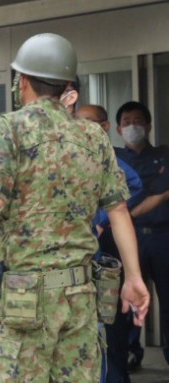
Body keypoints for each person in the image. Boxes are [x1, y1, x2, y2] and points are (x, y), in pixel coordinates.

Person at [0, 33, 150, 382]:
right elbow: (119, 212)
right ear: (66, 85)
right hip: (80, 293)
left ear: (22, 81)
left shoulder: (8, 127)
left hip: (26, 297)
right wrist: (134, 277)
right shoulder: (93, 135)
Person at [76, 104, 144, 383]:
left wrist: (103, 218)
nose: (82, 128)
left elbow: (133, 185)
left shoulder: (104, 155)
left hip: (102, 254)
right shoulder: (70, 153)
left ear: (104, 127)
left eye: (89, 122)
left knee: (105, 326)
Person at [114, 100, 169, 369]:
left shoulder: (164, 154)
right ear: (117, 129)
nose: (132, 126)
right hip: (130, 238)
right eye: (126, 122)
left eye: (137, 121)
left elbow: (163, 189)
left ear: (148, 126)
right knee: (127, 300)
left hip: (162, 237)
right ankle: (129, 354)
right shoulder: (113, 158)